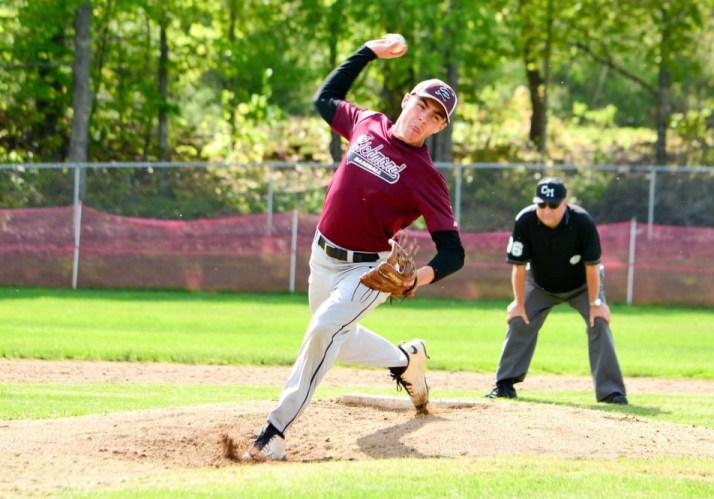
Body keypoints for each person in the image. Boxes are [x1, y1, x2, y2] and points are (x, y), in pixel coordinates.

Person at [251, 35, 465, 460]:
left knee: (324, 329)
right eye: (422, 104)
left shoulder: (427, 177)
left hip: (368, 271)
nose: (424, 117)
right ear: (407, 99)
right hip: (322, 254)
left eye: (436, 116)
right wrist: (368, 51)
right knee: (338, 338)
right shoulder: (367, 123)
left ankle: (274, 430)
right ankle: (406, 361)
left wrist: (413, 280)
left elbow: (453, 252)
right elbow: (324, 98)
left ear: (440, 128)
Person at [486, 176, 628, 405]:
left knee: (598, 321)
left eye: (553, 205)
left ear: (565, 204)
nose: (547, 210)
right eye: (541, 204)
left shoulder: (582, 222)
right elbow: (519, 267)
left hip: (583, 285)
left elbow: (592, 266)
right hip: (541, 285)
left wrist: (595, 304)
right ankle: (504, 384)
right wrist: (518, 303)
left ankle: (611, 392)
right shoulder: (525, 220)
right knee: (519, 319)